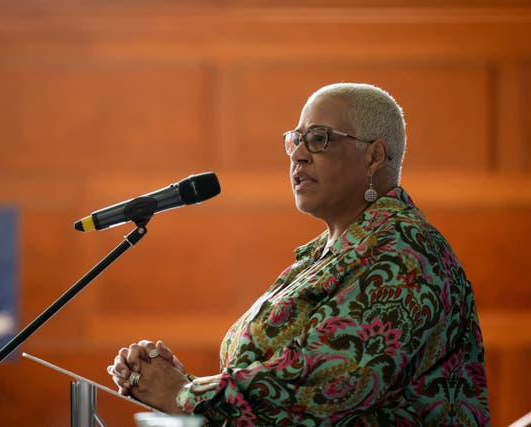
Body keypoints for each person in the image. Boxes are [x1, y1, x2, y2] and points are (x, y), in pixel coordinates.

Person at [107, 83, 491, 426]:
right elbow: (279, 382)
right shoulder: (326, 254)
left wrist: (184, 396)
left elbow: (328, 384)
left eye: (320, 139)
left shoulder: (405, 253)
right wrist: (177, 385)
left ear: (375, 156)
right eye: (296, 139)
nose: (299, 155)